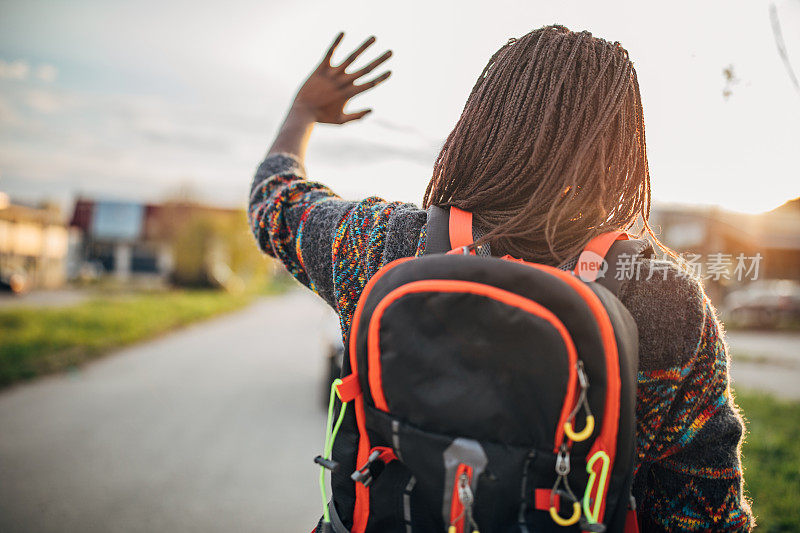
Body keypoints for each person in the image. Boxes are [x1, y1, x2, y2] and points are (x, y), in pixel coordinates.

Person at [248, 25, 752, 531]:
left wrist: (303, 112)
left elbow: (275, 201)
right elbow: (704, 511)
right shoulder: (665, 296)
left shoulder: (379, 245)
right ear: (621, 148)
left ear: (482, 123)